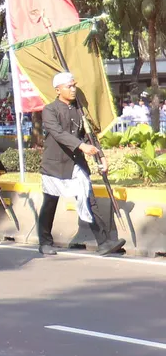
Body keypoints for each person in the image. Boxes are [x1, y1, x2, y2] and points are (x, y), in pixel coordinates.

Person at [38, 72, 126, 257]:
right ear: (58, 89)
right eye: (68, 86)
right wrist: (81, 145)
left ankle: (103, 242)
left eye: (74, 85)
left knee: (88, 199)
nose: (72, 89)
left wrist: (101, 156)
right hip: (54, 165)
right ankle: (45, 242)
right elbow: (58, 133)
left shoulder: (79, 110)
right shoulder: (50, 109)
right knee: (50, 203)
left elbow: (89, 135)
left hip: (76, 163)